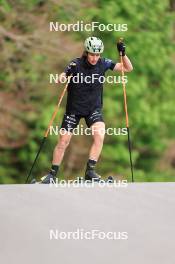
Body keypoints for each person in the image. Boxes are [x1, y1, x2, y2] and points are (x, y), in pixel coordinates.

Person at [41, 36, 133, 183]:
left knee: (100, 134)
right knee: (63, 140)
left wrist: (123, 54)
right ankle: (52, 174)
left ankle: (90, 171)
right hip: (74, 109)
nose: (94, 58)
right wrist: (61, 77)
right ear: (86, 52)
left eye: (97, 55)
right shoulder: (76, 63)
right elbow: (63, 74)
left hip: (93, 109)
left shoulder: (104, 63)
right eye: (92, 54)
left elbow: (128, 68)